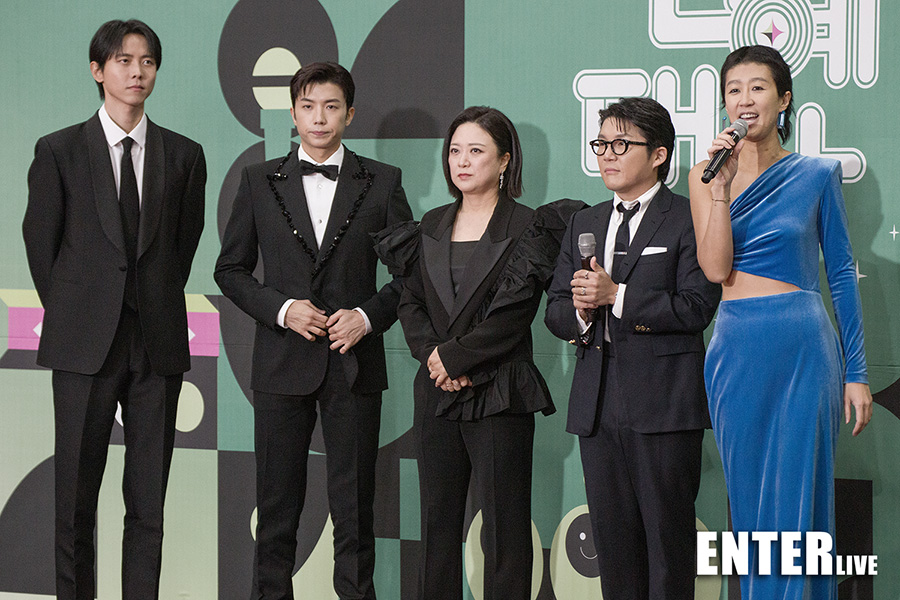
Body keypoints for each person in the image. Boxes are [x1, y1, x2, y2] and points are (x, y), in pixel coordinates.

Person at [22, 19, 206, 600]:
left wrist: (149, 304)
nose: (137, 71)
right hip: (83, 348)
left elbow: (182, 248)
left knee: (148, 505)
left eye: (147, 61)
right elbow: (41, 245)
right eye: (123, 60)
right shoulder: (58, 151)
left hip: (157, 346)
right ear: (98, 70)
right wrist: (80, 311)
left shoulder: (185, 155)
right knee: (75, 501)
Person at [214, 62, 412, 600]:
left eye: (330, 107)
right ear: (293, 113)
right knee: (276, 505)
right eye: (308, 107)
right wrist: (282, 310)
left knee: (355, 507)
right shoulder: (258, 181)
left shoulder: (383, 181)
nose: (319, 118)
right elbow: (229, 270)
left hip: (354, 361)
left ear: (350, 113)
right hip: (282, 361)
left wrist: (367, 316)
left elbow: (410, 276)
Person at [688, 45, 873, 599]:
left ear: (784, 99)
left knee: (799, 504)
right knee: (748, 508)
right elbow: (715, 269)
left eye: (758, 87)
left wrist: (857, 372)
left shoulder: (817, 174)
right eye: (733, 90)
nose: (744, 100)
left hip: (803, 348)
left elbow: (841, 273)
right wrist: (720, 193)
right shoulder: (703, 176)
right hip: (736, 351)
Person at [375, 106, 565, 600]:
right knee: (437, 525)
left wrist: (456, 359)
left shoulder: (527, 226)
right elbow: (411, 300)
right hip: (437, 389)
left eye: (475, 151)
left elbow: (513, 312)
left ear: (504, 160)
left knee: (504, 531)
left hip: (499, 389)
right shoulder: (432, 223)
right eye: (455, 150)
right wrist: (434, 358)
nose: (462, 161)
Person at [545, 97, 720, 600]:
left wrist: (616, 296)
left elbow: (696, 307)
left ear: (659, 154)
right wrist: (582, 312)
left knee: (668, 548)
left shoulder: (689, 217)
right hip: (597, 405)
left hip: (664, 405)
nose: (607, 155)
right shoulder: (584, 222)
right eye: (601, 144)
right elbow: (555, 310)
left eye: (621, 144)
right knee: (614, 550)